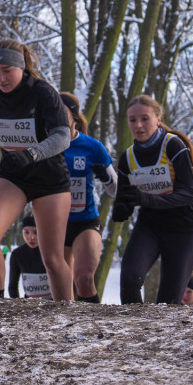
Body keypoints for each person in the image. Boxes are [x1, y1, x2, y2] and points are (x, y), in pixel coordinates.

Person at [0, 39, 74, 301]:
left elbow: (63, 137)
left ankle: (68, 315)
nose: (0, 78)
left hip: (50, 181)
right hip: (14, 177)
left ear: (22, 68)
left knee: (53, 260)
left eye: (7, 71)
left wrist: (32, 154)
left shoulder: (43, 94)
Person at [111, 95, 193, 304]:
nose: (138, 125)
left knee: (168, 302)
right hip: (150, 227)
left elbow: (191, 193)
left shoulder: (173, 146)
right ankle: (134, 329)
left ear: (158, 119)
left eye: (145, 118)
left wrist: (146, 199)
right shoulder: (127, 158)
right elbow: (124, 201)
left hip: (184, 229)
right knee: (129, 278)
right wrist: (121, 208)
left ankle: (163, 334)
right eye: (132, 120)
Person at [59, 92, 116, 303]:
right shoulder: (45, 145)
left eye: (61, 112)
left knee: (83, 278)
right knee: (62, 286)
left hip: (85, 221)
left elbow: (116, 190)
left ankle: (93, 324)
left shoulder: (93, 147)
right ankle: (67, 328)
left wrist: (106, 178)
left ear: (74, 116)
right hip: (56, 223)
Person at [8, 214, 51, 298]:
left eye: (36, 232)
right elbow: (12, 287)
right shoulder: (17, 254)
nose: (31, 237)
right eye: (26, 232)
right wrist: (18, 307)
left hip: (54, 306)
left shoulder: (53, 251)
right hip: (29, 306)